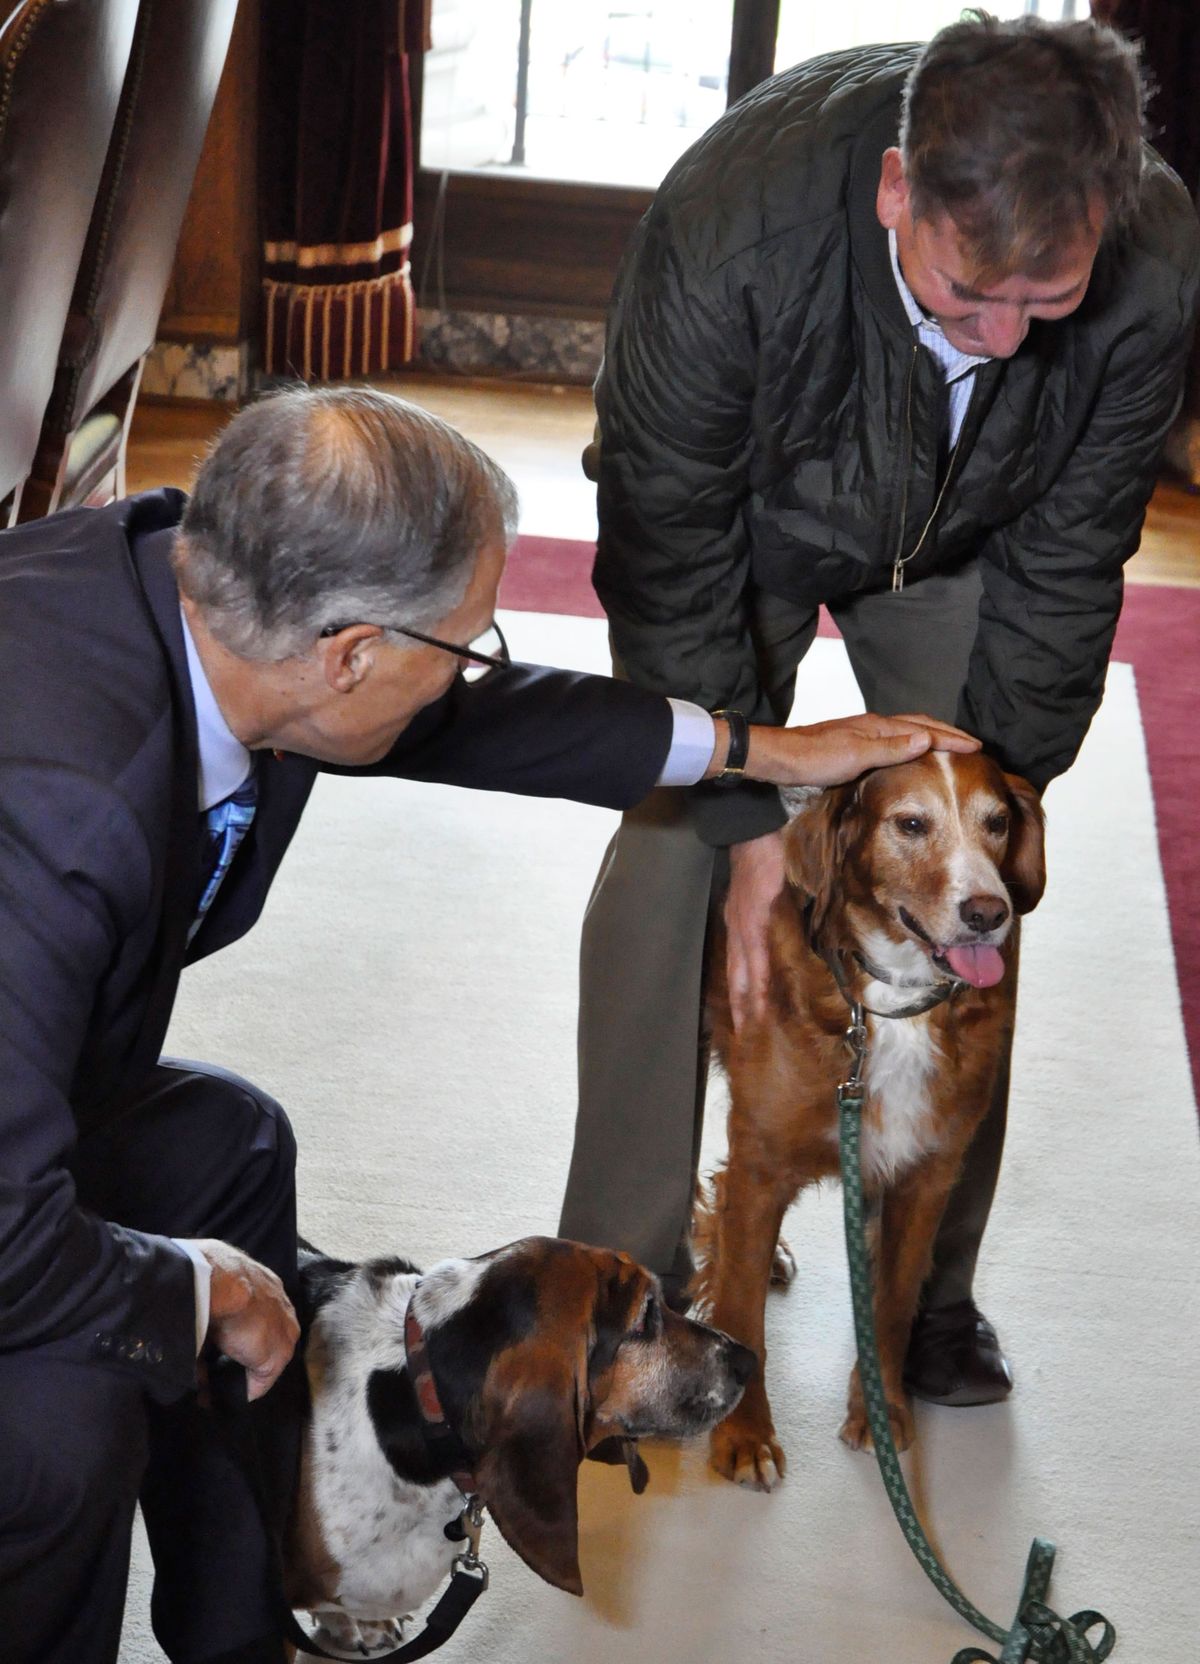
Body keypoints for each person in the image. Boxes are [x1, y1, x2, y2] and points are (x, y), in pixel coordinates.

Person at [0, 384, 975, 1664]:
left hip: (34, 1088)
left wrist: (763, 750)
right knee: (64, 1431)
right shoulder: (61, 818)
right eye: (464, 643)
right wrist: (197, 1286)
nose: (476, 668)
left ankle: (237, 1636)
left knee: (232, 1145)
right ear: (350, 653)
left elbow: (483, 720)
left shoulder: (198, 585)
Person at [559, 11, 1200, 1409]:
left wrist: (984, 808)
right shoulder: (731, 231)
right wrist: (745, 819)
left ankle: (928, 1295)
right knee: (674, 843)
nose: (1001, 338)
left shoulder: (1154, 257)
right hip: (749, 529)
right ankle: (625, 1281)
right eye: (970, 297)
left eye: (1046, 306)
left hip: (976, 533)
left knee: (970, 888)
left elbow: (1075, 556)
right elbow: (668, 554)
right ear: (897, 189)